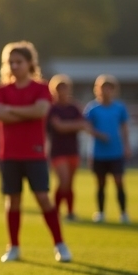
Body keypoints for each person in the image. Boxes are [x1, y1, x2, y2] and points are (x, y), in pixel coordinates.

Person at [0, 42, 72, 264]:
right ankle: (14, 246)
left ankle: (60, 244)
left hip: (34, 154)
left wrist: (12, 111)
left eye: (19, 62)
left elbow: (41, 111)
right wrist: (27, 113)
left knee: (43, 198)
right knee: (13, 200)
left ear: (30, 64)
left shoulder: (41, 88)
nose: (15, 66)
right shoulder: (1, 90)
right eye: (11, 62)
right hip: (9, 155)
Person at [85, 74, 130, 224]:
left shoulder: (119, 108)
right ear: (98, 89)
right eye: (103, 88)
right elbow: (87, 127)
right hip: (99, 152)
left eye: (109, 88)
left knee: (119, 181)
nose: (106, 91)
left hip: (115, 151)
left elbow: (124, 128)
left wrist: (126, 146)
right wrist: (98, 134)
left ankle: (123, 213)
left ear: (113, 90)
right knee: (100, 183)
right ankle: (101, 212)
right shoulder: (92, 108)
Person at [46, 74, 88, 221]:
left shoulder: (74, 108)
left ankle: (70, 212)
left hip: (72, 149)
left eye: (65, 88)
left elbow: (83, 125)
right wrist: (72, 126)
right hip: (58, 151)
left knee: (69, 183)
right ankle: (55, 211)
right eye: (59, 89)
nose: (62, 92)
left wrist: (66, 126)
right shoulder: (51, 109)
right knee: (63, 181)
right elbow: (58, 127)